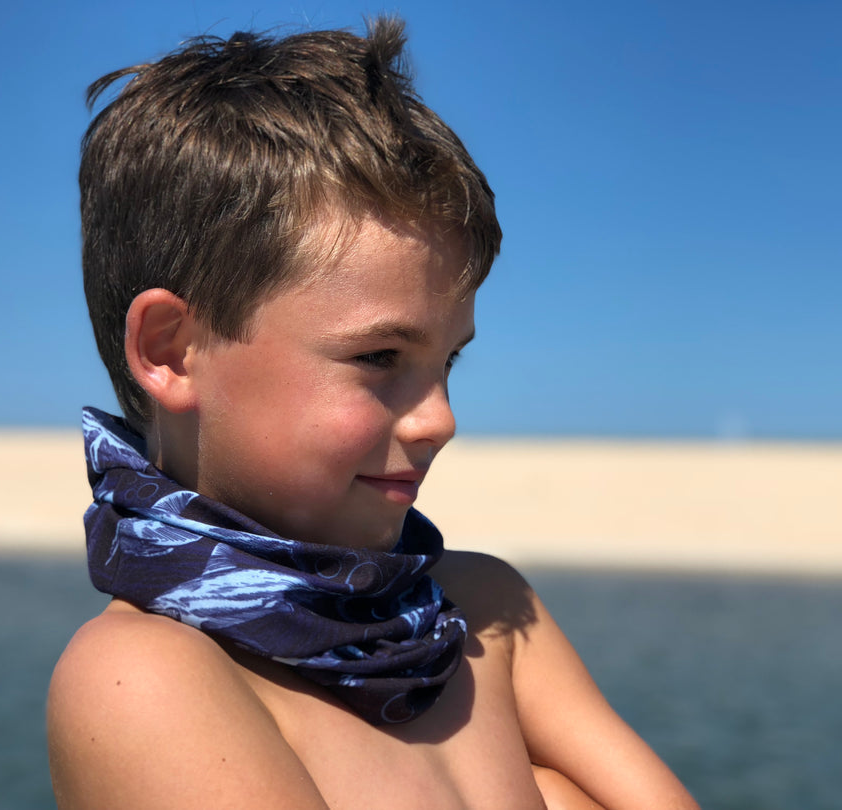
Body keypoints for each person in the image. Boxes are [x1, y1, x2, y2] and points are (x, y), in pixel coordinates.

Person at [47, 16, 699, 810]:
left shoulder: (482, 610)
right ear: (172, 351)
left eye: (447, 362)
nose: (440, 421)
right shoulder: (145, 676)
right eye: (380, 359)